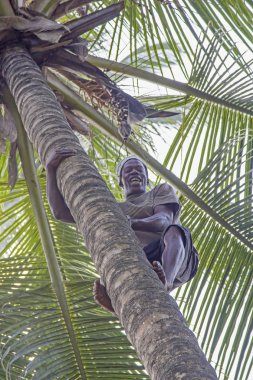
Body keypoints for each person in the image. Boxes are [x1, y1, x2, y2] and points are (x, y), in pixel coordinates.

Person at [46, 151, 199, 313]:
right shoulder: (114, 209)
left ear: (146, 179)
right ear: (120, 180)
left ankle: (165, 283)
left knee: (174, 231)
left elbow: (163, 221)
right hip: (142, 258)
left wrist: (131, 222)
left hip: (172, 254)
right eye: (129, 170)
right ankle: (119, 306)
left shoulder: (159, 192)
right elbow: (60, 213)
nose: (135, 172)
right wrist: (50, 169)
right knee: (113, 257)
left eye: (139, 170)